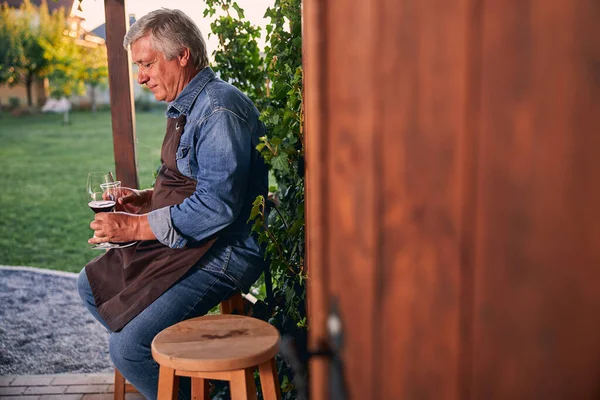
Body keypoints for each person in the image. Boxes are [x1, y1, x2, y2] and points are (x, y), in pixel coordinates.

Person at [76, 8, 268, 400]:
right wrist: (145, 199)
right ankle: (197, 384)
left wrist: (132, 227)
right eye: (138, 66)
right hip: (193, 241)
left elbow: (216, 207)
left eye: (147, 64)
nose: (141, 76)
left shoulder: (218, 110)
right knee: (90, 286)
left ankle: (192, 386)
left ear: (182, 55)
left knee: (127, 349)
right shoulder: (189, 102)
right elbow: (193, 180)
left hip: (224, 250)